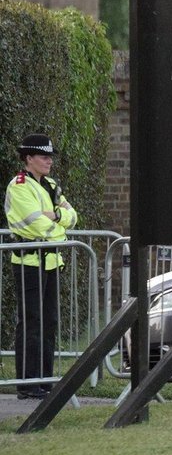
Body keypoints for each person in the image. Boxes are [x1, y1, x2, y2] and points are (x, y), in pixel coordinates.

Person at [4, 134, 78, 400]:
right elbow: (35, 224)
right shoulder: (20, 186)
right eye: (43, 156)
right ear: (28, 159)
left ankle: (44, 380)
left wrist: (57, 216)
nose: (49, 161)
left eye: (50, 156)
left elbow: (73, 216)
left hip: (50, 260)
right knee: (31, 322)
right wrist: (59, 227)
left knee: (49, 322)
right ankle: (27, 383)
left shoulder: (51, 185)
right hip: (28, 261)